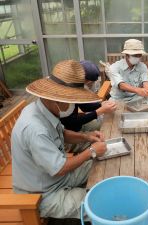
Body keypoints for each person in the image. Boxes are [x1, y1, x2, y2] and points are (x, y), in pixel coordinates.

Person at [11, 60, 107, 219]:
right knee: (99, 205)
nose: (72, 104)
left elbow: (62, 133)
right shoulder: (35, 129)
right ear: (53, 98)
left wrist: (86, 136)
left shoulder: (42, 110)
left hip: (59, 178)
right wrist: (91, 151)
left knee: (104, 164)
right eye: (70, 100)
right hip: (43, 193)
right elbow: (59, 168)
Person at [60, 60, 117, 133]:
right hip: (68, 131)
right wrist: (98, 112)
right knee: (102, 131)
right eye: (90, 83)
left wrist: (100, 105)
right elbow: (71, 123)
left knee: (102, 125)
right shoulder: (65, 93)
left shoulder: (76, 87)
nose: (91, 85)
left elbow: (84, 107)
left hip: (77, 125)